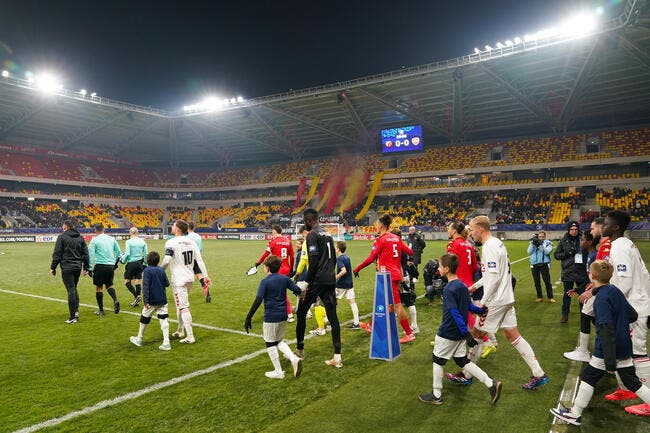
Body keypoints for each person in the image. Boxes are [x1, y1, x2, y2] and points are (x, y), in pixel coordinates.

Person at [446, 215, 549, 390]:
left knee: (477, 333)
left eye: (472, 229)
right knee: (512, 334)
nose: (470, 233)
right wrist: (474, 287)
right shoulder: (497, 244)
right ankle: (539, 373)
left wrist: (483, 303)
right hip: (506, 297)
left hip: (496, 300)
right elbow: (492, 275)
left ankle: (466, 375)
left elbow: (493, 279)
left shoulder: (489, 247)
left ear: (480, 228)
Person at [550, 260, 650, 425]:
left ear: (592, 276)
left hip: (607, 348)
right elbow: (632, 315)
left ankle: (575, 414)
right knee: (632, 381)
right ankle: (575, 413)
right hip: (625, 343)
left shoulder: (601, 298)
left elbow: (605, 328)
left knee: (589, 376)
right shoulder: (614, 290)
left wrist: (610, 361)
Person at [418, 253, 501, 406]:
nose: (438, 270)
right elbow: (467, 305)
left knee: (437, 361)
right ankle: (490, 383)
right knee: (462, 361)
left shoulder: (449, 289)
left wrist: (466, 333)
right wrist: (479, 311)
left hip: (448, 332)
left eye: (441, 267)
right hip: (459, 334)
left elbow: (454, 312)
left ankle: (437, 394)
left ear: (447, 269)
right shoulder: (462, 285)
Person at [601, 210, 650, 416]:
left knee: (637, 351)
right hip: (638, 304)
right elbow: (645, 274)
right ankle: (626, 389)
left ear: (615, 228)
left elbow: (624, 281)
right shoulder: (626, 244)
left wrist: (614, 306)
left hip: (632, 309)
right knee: (625, 350)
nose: (603, 226)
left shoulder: (620, 246)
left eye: (606, 223)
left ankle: (649, 402)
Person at [354, 214, 416, 344]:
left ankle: (409, 333)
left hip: (386, 276)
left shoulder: (380, 240)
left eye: (377, 224)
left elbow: (371, 258)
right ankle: (370, 326)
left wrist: (357, 268)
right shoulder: (396, 238)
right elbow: (410, 252)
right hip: (396, 274)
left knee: (397, 305)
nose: (376, 226)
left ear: (381, 225)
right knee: (381, 302)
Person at [294, 208, 342, 368]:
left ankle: (300, 350)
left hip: (317, 281)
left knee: (301, 312)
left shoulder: (312, 236)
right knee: (333, 317)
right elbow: (334, 258)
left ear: (308, 221)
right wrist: (330, 274)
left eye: (304, 221)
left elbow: (313, 263)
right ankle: (337, 357)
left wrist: (307, 283)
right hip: (329, 280)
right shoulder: (328, 234)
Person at [245, 255, 304, 379]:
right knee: (278, 341)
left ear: (267, 268)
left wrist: (249, 317)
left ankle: (279, 371)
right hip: (284, 315)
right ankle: (294, 359)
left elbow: (258, 300)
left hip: (271, 316)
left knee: (270, 343)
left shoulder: (265, 281)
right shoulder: (285, 279)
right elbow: (298, 291)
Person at [565, 217, 612, 362]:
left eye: (592, 229)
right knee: (588, 315)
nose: (581, 241)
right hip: (596, 288)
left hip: (601, 290)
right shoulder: (595, 253)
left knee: (597, 319)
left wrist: (591, 289)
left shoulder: (603, 249)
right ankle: (586, 350)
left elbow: (604, 274)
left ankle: (600, 352)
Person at [161, 219, 211, 344]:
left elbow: (167, 260)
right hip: (190, 278)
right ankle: (180, 330)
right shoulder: (191, 242)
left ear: (178, 229)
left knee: (183, 306)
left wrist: (159, 272)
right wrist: (205, 275)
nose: (171, 227)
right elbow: (199, 260)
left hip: (179, 279)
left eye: (173, 225)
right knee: (181, 304)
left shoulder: (171, 242)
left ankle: (190, 336)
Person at [129, 251, 172, 351]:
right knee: (163, 319)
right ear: (158, 261)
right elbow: (167, 284)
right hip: (162, 299)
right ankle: (166, 342)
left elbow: (145, 287)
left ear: (147, 261)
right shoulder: (161, 270)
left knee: (144, 318)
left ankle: (139, 339)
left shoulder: (147, 271)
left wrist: (146, 301)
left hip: (151, 300)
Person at [50, 220, 90, 324]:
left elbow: (57, 253)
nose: (62, 229)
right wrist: (86, 268)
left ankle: (73, 317)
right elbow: (85, 254)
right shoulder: (80, 238)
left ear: (66, 227)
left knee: (71, 290)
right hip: (77, 267)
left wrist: (53, 267)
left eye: (63, 228)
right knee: (74, 288)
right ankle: (76, 312)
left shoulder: (61, 237)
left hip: (67, 267)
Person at [253, 224, 295, 322]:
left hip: (276, 269)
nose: (272, 234)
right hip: (286, 269)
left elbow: (266, 254)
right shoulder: (288, 241)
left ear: (275, 232)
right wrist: (291, 269)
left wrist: (258, 263)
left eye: (272, 232)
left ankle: (289, 314)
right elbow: (292, 257)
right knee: (282, 291)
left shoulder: (273, 242)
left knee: (277, 292)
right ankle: (287, 312)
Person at [554, 221, 589, 323]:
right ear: (568, 230)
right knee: (567, 295)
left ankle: (584, 314)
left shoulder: (583, 239)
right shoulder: (563, 241)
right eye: (572, 229)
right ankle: (565, 315)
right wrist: (567, 253)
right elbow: (556, 255)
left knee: (582, 294)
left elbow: (589, 251)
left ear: (578, 230)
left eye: (576, 229)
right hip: (568, 271)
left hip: (580, 271)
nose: (574, 231)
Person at [88, 223, 122, 316]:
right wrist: (115, 264)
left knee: (99, 288)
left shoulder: (94, 240)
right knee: (109, 285)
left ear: (95, 230)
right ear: (104, 229)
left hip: (100, 266)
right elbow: (119, 253)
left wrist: (89, 268)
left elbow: (90, 255)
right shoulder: (112, 239)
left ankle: (101, 310)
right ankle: (115, 300)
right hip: (110, 266)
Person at [121, 227, 148, 307]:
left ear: (130, 233)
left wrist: (123, 261)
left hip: (131, 263)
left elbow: (128, 253)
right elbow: (146, 253)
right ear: (137, 233)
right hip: (140, 262)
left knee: (127, 282)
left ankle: (137, 296)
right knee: (137, 281)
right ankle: (137, 302)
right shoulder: (142, 241)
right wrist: (145, 263)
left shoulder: (128, 242)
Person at [335, 241, 360, 329]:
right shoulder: (347, 257)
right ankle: (356, 323)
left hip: (341, 284)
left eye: (336, 246)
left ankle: (328, 320)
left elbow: (344, 270)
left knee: (333, 301)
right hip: (349, 283)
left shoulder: (339, 258)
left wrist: (336, 277)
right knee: (352, 302)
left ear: (338, 249)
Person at [527, 230, 554, 303]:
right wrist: (533, 244)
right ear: (537, 237)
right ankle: (539, 297)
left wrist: (540, 245)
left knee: (547, 281)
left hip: (544, 264)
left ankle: (550, 297)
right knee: (536, 282)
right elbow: (529, 252)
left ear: (545, 237)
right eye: (540, 237)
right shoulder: (533, 242)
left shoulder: (548, 243)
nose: (541, 238)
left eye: (542, 236)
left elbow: (547, 252)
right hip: (534, 264)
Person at [188, 221, 211, 303]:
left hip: (188, 259)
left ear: (188, 227)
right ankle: (205, 287)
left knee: (186, 276)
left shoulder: (186, 237)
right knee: (199, 275)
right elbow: (200, 249)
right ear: (194, 227)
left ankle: (183, 294)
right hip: (196, 258)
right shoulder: (198, 236)